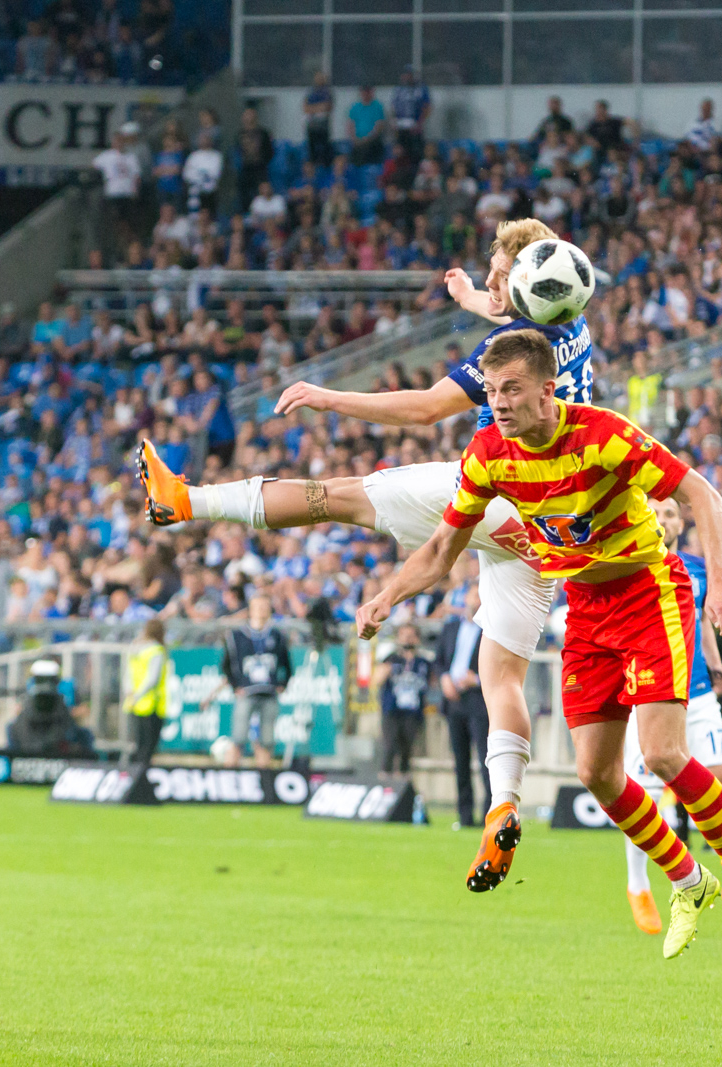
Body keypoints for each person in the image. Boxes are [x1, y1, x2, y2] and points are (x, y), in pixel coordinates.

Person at [139, 218, 594, 893]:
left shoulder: (510, 352)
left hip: (497, 489)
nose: (493, 287)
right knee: (500, 673)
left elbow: (424, 409)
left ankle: (184, 501)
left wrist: (328, 397)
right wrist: (471, 293)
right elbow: (509, 297)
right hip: (552, 523)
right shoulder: (573, 323)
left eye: (501, 275)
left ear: (525, 279)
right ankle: (505, 803)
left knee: (336, 496)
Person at [354, 328, 722, 959]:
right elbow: (444, 547)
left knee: (662, 754)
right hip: (585, 609)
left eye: (512, 389)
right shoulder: (489, 452)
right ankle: (688, 882)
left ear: (548, 391)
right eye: (491, 390)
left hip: (648, 590)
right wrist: (389, 595)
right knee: (596, 774)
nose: (498, 402)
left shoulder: (603, 433)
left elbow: (700, 494)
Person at [621, 494, 722, 934]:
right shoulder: (629, 563)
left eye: (670, 513)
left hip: (696, 689)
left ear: (680, 523)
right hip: (649, 694)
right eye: (654, 513)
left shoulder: (694, 569)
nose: (663, 519)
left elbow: (700, 620)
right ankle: (638, 886)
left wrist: (714, 663)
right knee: (645, 796)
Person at [218, 593, 292, 768]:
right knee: (239, 737)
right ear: (250, 610)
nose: (261, 611)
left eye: (265, 607)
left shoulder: (277, 635)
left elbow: (287, 664)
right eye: (258, 607)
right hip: (247, 690)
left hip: (269, 691)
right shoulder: (237, 636)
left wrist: (283, 683)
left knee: (267, 739)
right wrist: (235, 685)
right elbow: (227, 664)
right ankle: (230, 774)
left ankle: (264, 777)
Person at [437, 590, 491, 825]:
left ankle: (489, 815)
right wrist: (444, 678)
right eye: (471, 596)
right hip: (454, 701)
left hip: (478, 701)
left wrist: (477, 679)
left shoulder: (490, 631)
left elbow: (501, 666)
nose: (473, 601)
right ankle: (464, 816)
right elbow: (439, 661)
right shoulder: (450, 629)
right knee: (460, 761)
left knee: (485, 760)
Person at [376, 622, 433, 777]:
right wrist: (389, 665)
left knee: (407, 750)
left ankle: (403, 779)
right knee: (390, 746)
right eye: (404, 636)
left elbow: (431, 685)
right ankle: (385, 778)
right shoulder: (391, 659)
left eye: (411, 636)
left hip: (413, 712)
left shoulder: (423, 662)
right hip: (392, 710)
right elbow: (377, 679)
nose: (408, 640)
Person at [125, 618, 168, 765]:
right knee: (148, 746)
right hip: (151, 704)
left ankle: (133, 772)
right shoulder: (156, 650)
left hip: (134, 703)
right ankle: (142, 778)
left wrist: (131, 693)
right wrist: (139, 695)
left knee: (138, 744)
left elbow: (128, 673)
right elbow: (152, 679)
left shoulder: (135, 648)